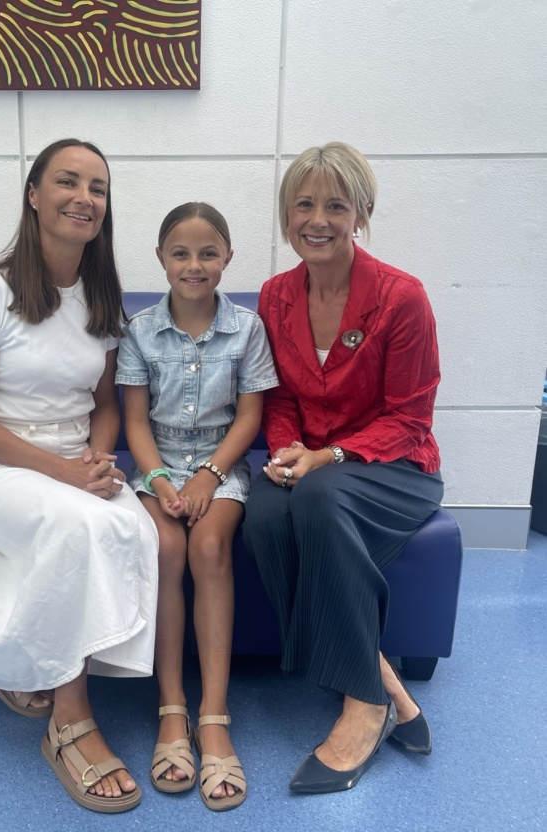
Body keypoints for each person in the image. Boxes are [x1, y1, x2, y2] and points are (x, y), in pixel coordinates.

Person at [0, 138, 159, 814]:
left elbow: (102, 408)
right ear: (34, 195)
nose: (84, 197)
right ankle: (69, 721)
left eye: (97, 187)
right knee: (79, 528)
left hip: (69, 462)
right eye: (67, 181)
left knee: (135, 527)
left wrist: (96, 456)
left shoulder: (101, 294)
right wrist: (65, 474)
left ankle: (30, 665)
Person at [242, 142, 444, 794]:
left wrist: (325, 456)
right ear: (286, 214)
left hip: (396, 468)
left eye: (336, 203)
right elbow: (279, 400)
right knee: (266, 513)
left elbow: (410, 417)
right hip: (310, 467)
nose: (318, 218)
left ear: (360, 212)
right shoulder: (274, 297)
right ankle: (381, 672)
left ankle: (366, 704)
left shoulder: (401, 297)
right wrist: (283, 453)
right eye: (304, 203)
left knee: (322, 499)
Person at [116, 203, 278, 810]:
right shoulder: (138, 330)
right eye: (180, 253)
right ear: (161, 259)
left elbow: (251, 415)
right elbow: (135, 420)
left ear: (227, 259)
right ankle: (171, 709)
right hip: (157, 468)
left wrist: (210, 475)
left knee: (209, 546)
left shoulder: (248, 328)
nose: (194, 265)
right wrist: (159, 480)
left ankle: (213, 716)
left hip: (221, 464)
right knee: (166, 545)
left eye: (208, 253)